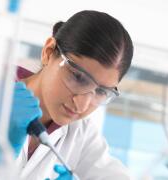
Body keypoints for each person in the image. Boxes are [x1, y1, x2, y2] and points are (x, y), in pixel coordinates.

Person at [8, 10, 134, 179]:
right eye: (78, 77)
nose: (81, 105)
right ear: (48, 52)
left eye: (101, 91)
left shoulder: (81, 136)